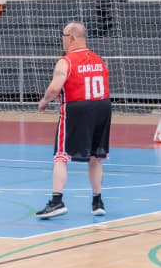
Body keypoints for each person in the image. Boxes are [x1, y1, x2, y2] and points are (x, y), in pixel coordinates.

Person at [36, 21, 110, 220]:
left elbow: (54, 89)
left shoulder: (66, 61)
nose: (62, 40)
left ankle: (57, 200)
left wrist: (44, 101)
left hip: (77, 108)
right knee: (95, 157)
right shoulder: (99, 59)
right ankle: (97, 201)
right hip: (102, 107)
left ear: (72, 37)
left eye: (63, 35)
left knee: (61, 155)